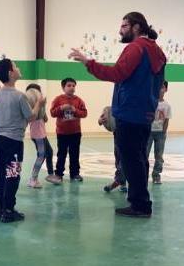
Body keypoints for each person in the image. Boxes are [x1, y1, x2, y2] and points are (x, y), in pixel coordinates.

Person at [69, 12, 166, 218]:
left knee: (131, 160)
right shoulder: (157, 51)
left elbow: (116, 74)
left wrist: (88, 63)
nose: (120, 30)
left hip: (129, 114)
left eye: (124, 26)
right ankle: (141, 202)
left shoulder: (136, 48)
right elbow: (158, 88)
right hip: (145, 114)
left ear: (137, 27)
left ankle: (140, 205)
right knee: (139, 159)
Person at [0, 58, 44, 223]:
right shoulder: (20, 96)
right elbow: (31, 116)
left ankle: (2, 209)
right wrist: (39, 103)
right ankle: (8, 210)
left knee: (2, 175)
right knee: (13, 176)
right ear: (10, 73)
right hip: (13, 143)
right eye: (15, 66)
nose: (18, 68)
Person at [50, 77, 87, 183]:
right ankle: (58, 174)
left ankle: (75, 174)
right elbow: (52, 113)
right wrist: (61, 108)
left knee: (75, 154)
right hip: (62, 133)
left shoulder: (79, 100)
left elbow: (84, 113)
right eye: (69, 85)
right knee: (61, 154)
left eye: (73, 86)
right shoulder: (58, 99)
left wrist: (75, 110)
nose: (72, 88)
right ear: (63, 87)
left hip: (75, 132)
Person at [25, 83, 57, 188]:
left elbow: (45, 119)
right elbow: (32, 117)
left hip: (42, 133)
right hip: (37, 134)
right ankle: (33, 179)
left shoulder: (40, 106)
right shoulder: (31, 106)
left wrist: (43, 106)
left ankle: (50, 174)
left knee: (50, 152)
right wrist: (39, 105)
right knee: (41, 155)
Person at [146, 81, 171, 184]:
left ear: (166, 89)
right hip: (148, 132)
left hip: (160, 133)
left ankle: (156, 175)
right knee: (144, 154)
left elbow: (167, 120)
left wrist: (163, 132)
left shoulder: (167, 105)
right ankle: (143, 174)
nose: (160, 89)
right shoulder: (150, 102)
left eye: (163, 87)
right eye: (159, 87)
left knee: (159, 156)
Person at [98, 106, 127, 193]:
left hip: (129, 134)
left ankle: (118, 181)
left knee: (124, 160)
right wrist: (101, 121)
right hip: (117, 134)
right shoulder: (113, 107)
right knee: (118, 159)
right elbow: (107, 116)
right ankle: (122, 183)